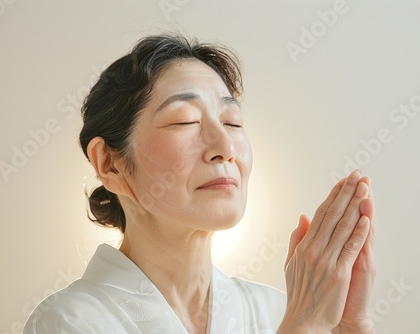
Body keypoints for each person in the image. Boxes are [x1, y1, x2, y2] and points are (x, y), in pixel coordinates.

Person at [23, 34, 376, 334]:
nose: (224, 149)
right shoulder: (69, 321)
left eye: (232, 122)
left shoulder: (272, 312)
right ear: (110, 163)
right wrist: (305, 325)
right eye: (185, 121)